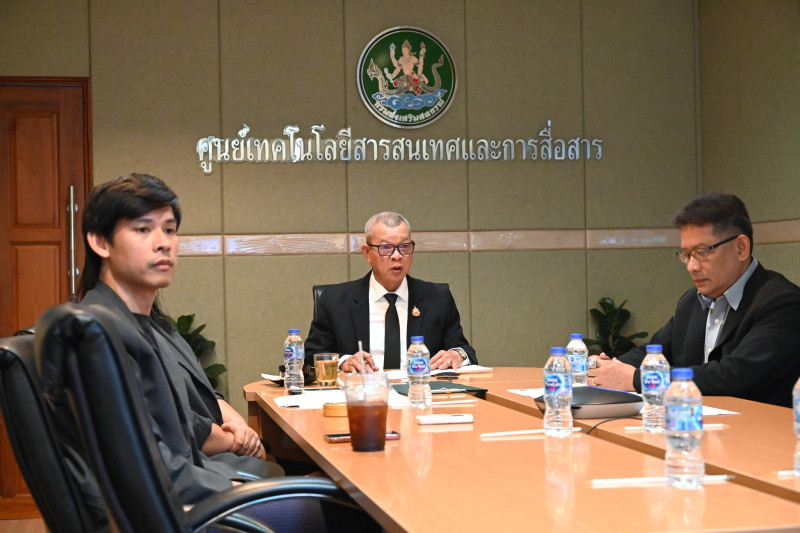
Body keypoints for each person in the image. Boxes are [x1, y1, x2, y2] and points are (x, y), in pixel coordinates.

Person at [77, 173, 283, 500]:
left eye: (169, 230)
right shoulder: (100, 334)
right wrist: (245, 495)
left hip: (194, 491)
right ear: (101, 242)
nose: (163, 243)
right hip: (182, 510)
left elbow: (180, 443)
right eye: (143, 229)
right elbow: (147, 471)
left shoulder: (140, 326)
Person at [589, 192, 800, 407]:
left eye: (702, 252)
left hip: (758, 426)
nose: (692, 266)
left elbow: (733, 377)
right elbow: (653, 352)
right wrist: (607, 368)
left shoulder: (782, 303)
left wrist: (638, 379)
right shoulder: (692, 301)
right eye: (686, 255)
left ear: (741, 248)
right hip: (693, 422)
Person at [305, 211, 477, 372]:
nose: (397, 256)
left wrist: (457, 355)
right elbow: (311, 356)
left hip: (419, 389)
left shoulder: (438, 297)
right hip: (363, 390)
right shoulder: (334, 300)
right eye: (386, 248)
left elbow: (464, 350)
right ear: (367, 253)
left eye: (404, 246)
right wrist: (344, 361)